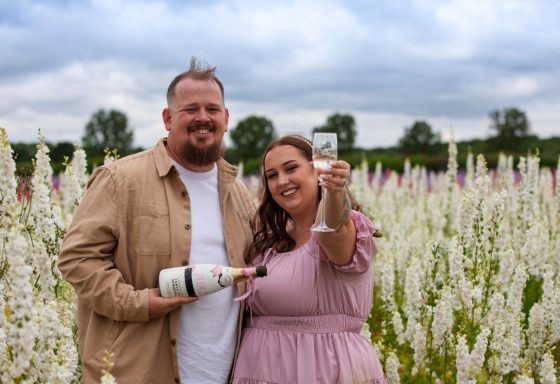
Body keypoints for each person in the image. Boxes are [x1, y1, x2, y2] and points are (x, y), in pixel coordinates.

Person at [58, 58, 256, 384]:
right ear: (167, 118)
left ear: (226, 118)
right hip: (136, 372)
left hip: (223, 373)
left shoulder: (239, 192)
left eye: (213, 109)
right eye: (190, 109)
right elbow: (77, 260)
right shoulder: (120, 180)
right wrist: (138, 303)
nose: (203, 118)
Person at [232, 135, 387, 383]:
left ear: (317, 171)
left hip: (323, 369)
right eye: (272, 175)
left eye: (291, 168)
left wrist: (334, 192)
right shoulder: (268, 242)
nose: (282, 181)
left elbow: (331, 228)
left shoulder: (343, 232)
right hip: (258, 369)